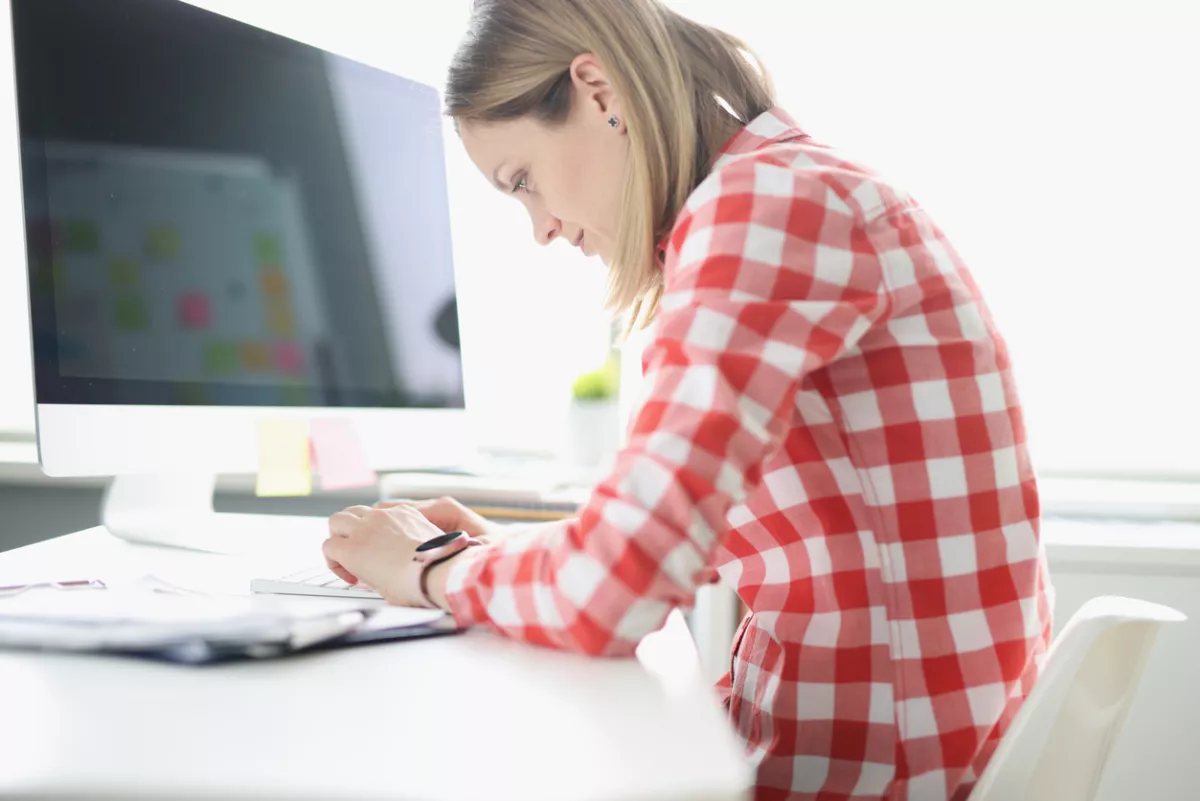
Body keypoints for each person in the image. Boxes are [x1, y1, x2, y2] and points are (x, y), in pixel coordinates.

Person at [321, 1, 1054, 799]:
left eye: (523, 180)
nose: (540, 228)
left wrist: (428, 571)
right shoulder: (788, 192)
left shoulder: (765, 208)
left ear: (600, 93)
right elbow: (659, 545)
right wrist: (496, 557)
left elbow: (614, 592)